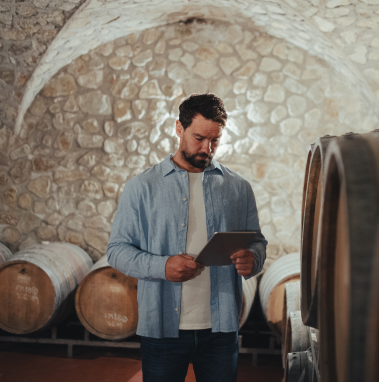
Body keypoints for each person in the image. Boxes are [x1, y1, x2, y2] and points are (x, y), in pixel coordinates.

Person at [107, 93, 267, 382]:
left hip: (221, 329)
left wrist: (253, 259)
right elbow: (117, 250)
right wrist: (162, 266)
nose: (208, 148)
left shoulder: (238, 188)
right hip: (163, 329)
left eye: (215, 140)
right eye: (199, 138)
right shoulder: (142, 187)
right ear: (179, 129)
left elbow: (257, 242)